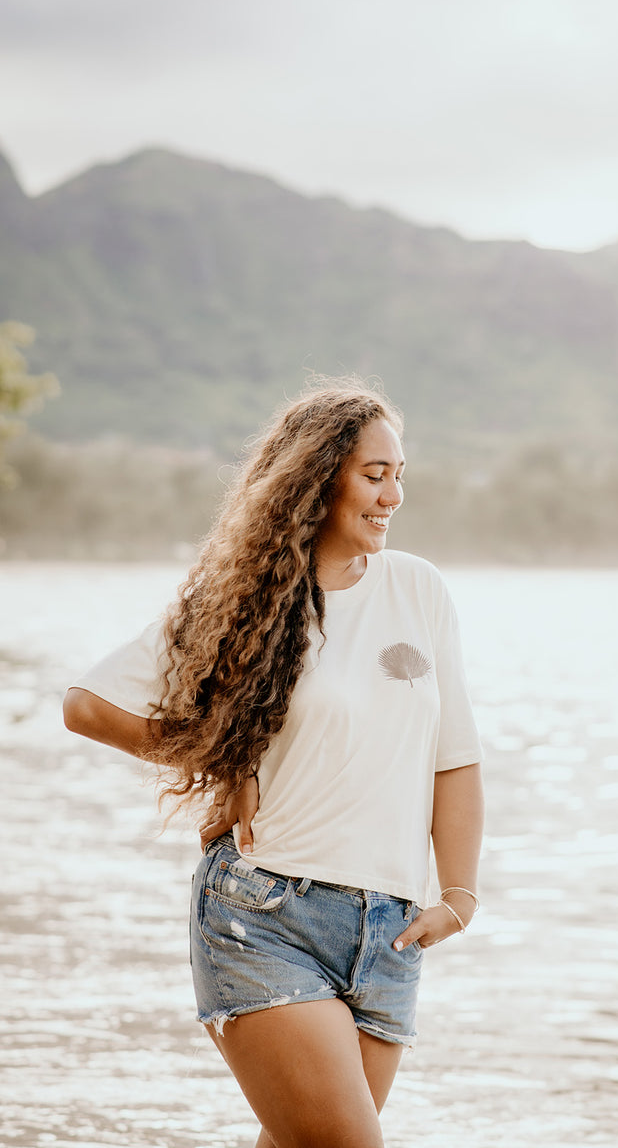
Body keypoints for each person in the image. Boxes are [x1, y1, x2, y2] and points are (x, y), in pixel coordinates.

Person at [62, 378, 484, 1148]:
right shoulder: (242, 602)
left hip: (389, 932)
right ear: (319, 478)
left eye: (400, 474)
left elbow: (453, 759)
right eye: (374, 473)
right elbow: (87, 704)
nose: (393, 494)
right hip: (265, 913)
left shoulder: (419, 590)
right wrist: (224, 760)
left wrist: (457, 896)